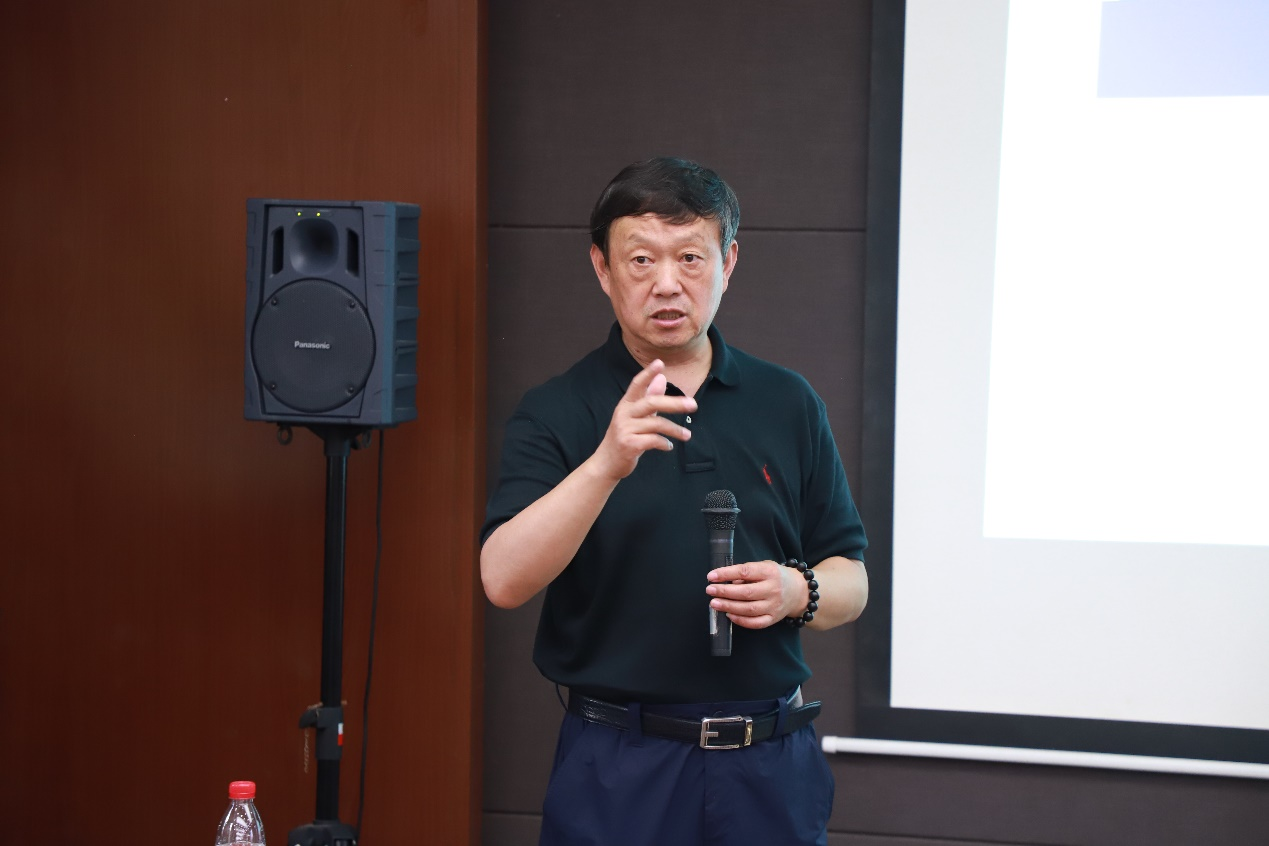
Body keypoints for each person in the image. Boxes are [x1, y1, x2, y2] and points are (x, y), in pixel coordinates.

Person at [480, 156, 868, 846]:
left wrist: (794, 591)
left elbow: (851, 581)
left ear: (728, 262)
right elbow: (503, 580)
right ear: (602, 268)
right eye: (640, 260)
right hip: (621, 767)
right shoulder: (556, 410)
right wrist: (606, 463)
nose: (666, 283)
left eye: (690, 257)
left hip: (769, 765)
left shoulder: (787, 402)